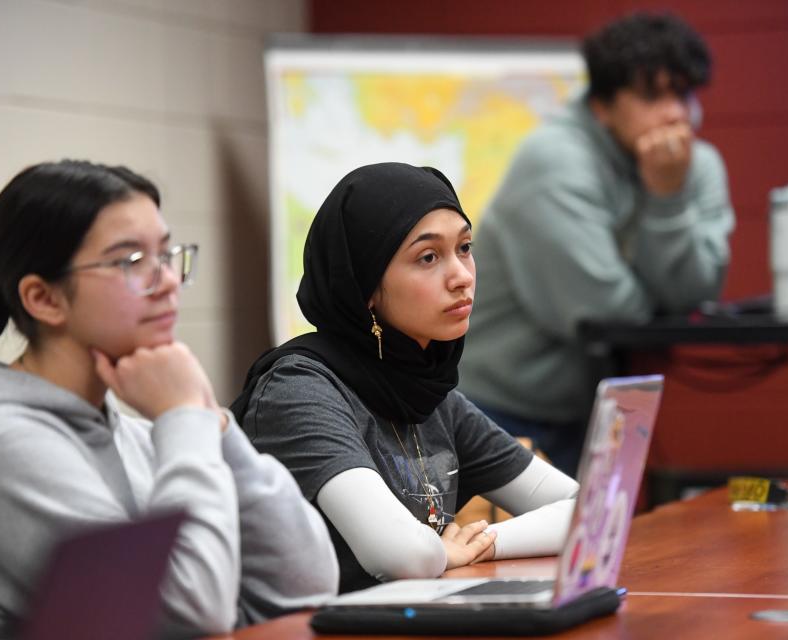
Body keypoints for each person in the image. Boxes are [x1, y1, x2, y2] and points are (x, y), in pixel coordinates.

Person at [0, 160, 338, 639]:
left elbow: (304, 586)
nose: (166, 282)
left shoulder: (131, 432)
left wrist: (210, 423)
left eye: (166, 256)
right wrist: (182, 417)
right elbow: (188, 621)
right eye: (131, 262)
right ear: (44, 299)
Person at [231, 162, 579, 594]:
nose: (462, 277)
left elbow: (588, 511)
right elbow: (403, 556)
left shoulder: (427, 392)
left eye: (465, 247)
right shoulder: (298, 390)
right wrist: (438, 551)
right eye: (428, 257)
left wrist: (482, 544)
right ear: (367, 289)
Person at [459, 12, 736, 475]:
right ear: (601, 106)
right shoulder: (554, 161)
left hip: (584, 413)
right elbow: (609, 313)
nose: (674, 113)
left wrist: (666, 198)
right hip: (494, 411)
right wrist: (658, 287)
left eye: (682, 93)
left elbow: (696, 293)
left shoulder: (695, 165)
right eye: (652, 95)